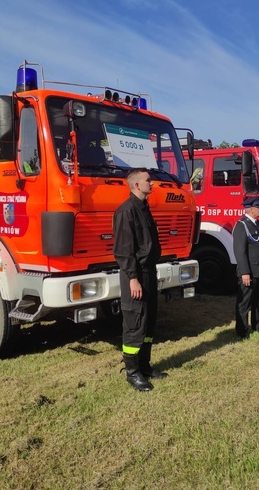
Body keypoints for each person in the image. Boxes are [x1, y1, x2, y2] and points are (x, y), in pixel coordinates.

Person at [113, 168, 165, 392]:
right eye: (148, 180)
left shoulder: (144, 208)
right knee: (135, 323)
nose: (152, 183)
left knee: (149, 321)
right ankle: (132, 372)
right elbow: (124, 251)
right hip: (134, 274)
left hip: (148, 272)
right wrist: (133, 278)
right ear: (136, 185)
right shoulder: (126, 211)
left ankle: (144, 366)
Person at [233, 196, 259, 338]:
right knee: (244, 302)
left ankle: (258, 325)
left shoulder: (258, 225)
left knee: (257, 300)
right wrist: (245, 272)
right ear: (251, 209)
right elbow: (240, 251)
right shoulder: (241, 226)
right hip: (249, 270)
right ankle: (242, 330)